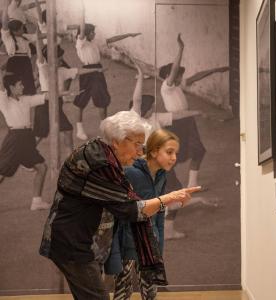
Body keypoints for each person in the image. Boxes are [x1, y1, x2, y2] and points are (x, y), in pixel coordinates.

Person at [39, 110, 201, 300]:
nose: (140, 151)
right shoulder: (102, 167)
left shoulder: (98, 149)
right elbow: (133, 210)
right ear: (117, 141)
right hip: (73, 245)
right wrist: (169, 198)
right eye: (137, 145)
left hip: (77, 240)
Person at [107, 128, 180, 300]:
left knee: (150, 294)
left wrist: (159, 246)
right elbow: (118, 212)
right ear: (154, 151)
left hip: (150, 245)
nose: (174, 158)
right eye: (169, 152)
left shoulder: (162, 175)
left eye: (175, 153)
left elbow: (159, 214)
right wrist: (116, 252)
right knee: (123, 292)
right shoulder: (130, 172)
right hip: (128, 246)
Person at [160, 33, 228, 189]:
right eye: (177, 74)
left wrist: (215, 70)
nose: (181, 77)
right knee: (174, 157)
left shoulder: (178, 85)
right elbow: (175, 68)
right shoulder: (167, 87)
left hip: (187, 121)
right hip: (175, 124)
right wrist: (181, 48)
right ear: (169, 76)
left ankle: (192, 184)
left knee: (198, 151)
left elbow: (196, 76)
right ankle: (162, 182)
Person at [72, 0, 140, 140]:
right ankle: (79, 129)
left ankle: (105, 126)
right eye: (93, 32)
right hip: (87, 71)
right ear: (87, 33)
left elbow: (112, 39)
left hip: (98, 71)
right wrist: (82, 12)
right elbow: (82, 30)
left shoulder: (94, 42)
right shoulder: (81, 43)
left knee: (102, 99)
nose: (95, 34)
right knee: (81, 100)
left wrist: (128, 34)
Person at [34, 21, 104, 156]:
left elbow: (78, 71)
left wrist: (97, 69)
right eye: (59, 58)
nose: (61, 60)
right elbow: (40, 55)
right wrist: (37, 39)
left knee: (68, 130)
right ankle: (27, 153)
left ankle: (71, 157)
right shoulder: (44, 68)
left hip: (57, 105)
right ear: (52, 59)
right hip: (45, 105)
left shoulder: (62, 70)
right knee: (40, 135)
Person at [0, 69, 49, 210]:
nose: (22, 87)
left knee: (41, 167)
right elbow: (1, 88)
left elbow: (44, 97)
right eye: (19, 85)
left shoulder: (26, 100)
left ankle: (36, 202)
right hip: (15, 140)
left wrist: (64, 94)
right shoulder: (4, 102)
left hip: (27, 139)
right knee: (2, 173)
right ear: (11, 87)